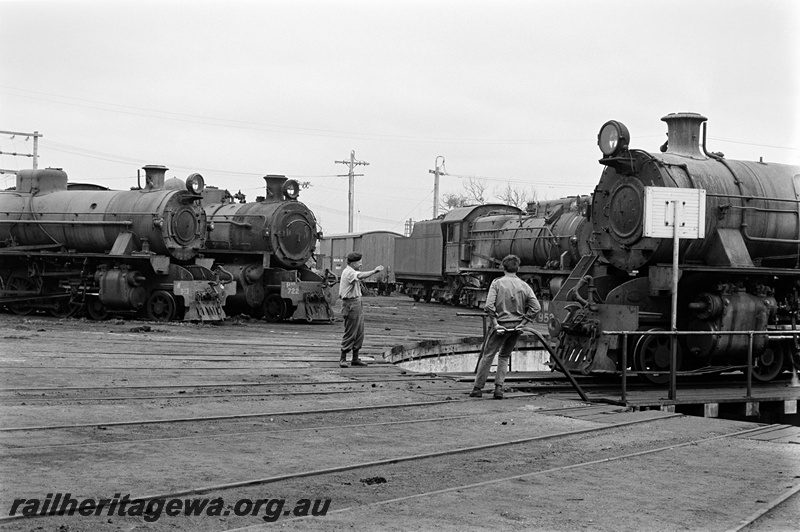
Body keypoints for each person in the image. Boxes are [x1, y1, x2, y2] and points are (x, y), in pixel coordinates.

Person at [470, 254, 541, 399]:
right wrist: (523, 323)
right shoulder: (524, 285)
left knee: (488, 356)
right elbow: (536, 307)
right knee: (504, 356)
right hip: (516, 327)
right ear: (517, 268)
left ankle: (477, 389)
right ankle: (499, 389)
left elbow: (489, 306)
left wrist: (495, 324)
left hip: (500, 325)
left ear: (503, 267)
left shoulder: (497, 283)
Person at [339, 252, 384, 367]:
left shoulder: (351, 271)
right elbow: (360, 276)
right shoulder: (349, 272)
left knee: (359, 332)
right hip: (350, 304)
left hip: (357, 303)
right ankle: (343, 358)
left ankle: (355, 358)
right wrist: (374, 271)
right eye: (359, 262)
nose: (361, 264)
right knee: (350, 332)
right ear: (353, 263)